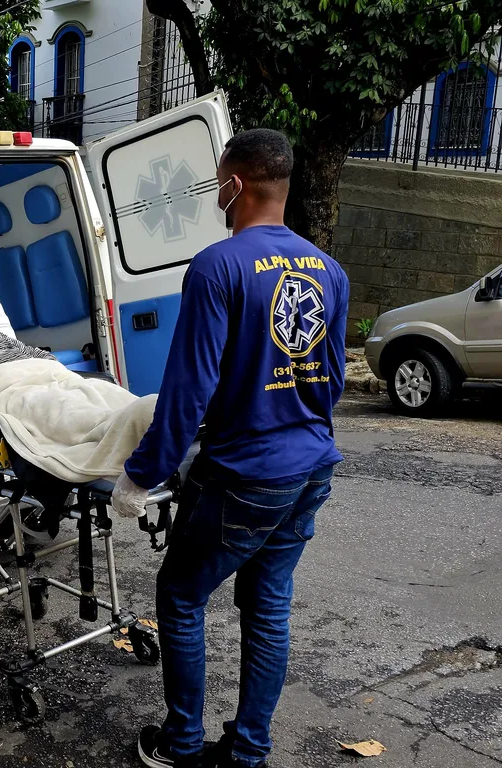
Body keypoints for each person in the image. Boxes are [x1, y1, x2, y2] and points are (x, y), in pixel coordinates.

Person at [111, 129, 350, 768]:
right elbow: (334, 378)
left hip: (248, 472)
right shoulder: (327, 269)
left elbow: (188, 390)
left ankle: (183, 744)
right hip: (311, 465)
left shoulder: (219, 264)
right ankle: (247, 754)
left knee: (183, 595)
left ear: (234, 185)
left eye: (219, 181)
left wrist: (142, 476)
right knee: (267, 604)